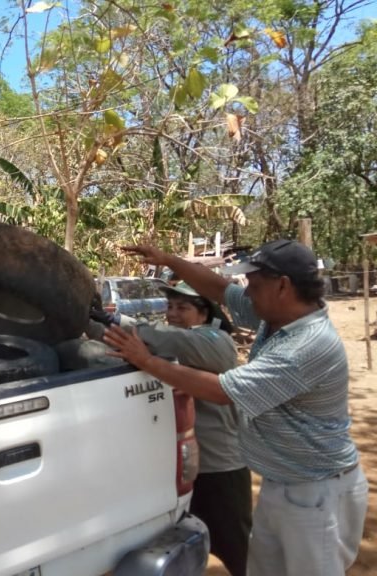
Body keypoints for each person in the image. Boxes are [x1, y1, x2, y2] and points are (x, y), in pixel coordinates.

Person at [103, 239, 369, 576]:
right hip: (282, 482)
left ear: (283, 286)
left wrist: (146, 360)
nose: (247, 294)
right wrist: (166, 259)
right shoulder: (276, 316)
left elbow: (222, 390)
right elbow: (218, 288)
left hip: (316, 493)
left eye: (254, 286)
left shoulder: (308, 345)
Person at [90, 282, 251, 576]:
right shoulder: (176, 341)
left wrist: (110, 320)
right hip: (186, 466)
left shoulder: (215, 341)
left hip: (219, 467)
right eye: (170, 307)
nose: (173, 314)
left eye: (183, 308)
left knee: (237, 549)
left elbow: (170, 339)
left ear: (204, 314)